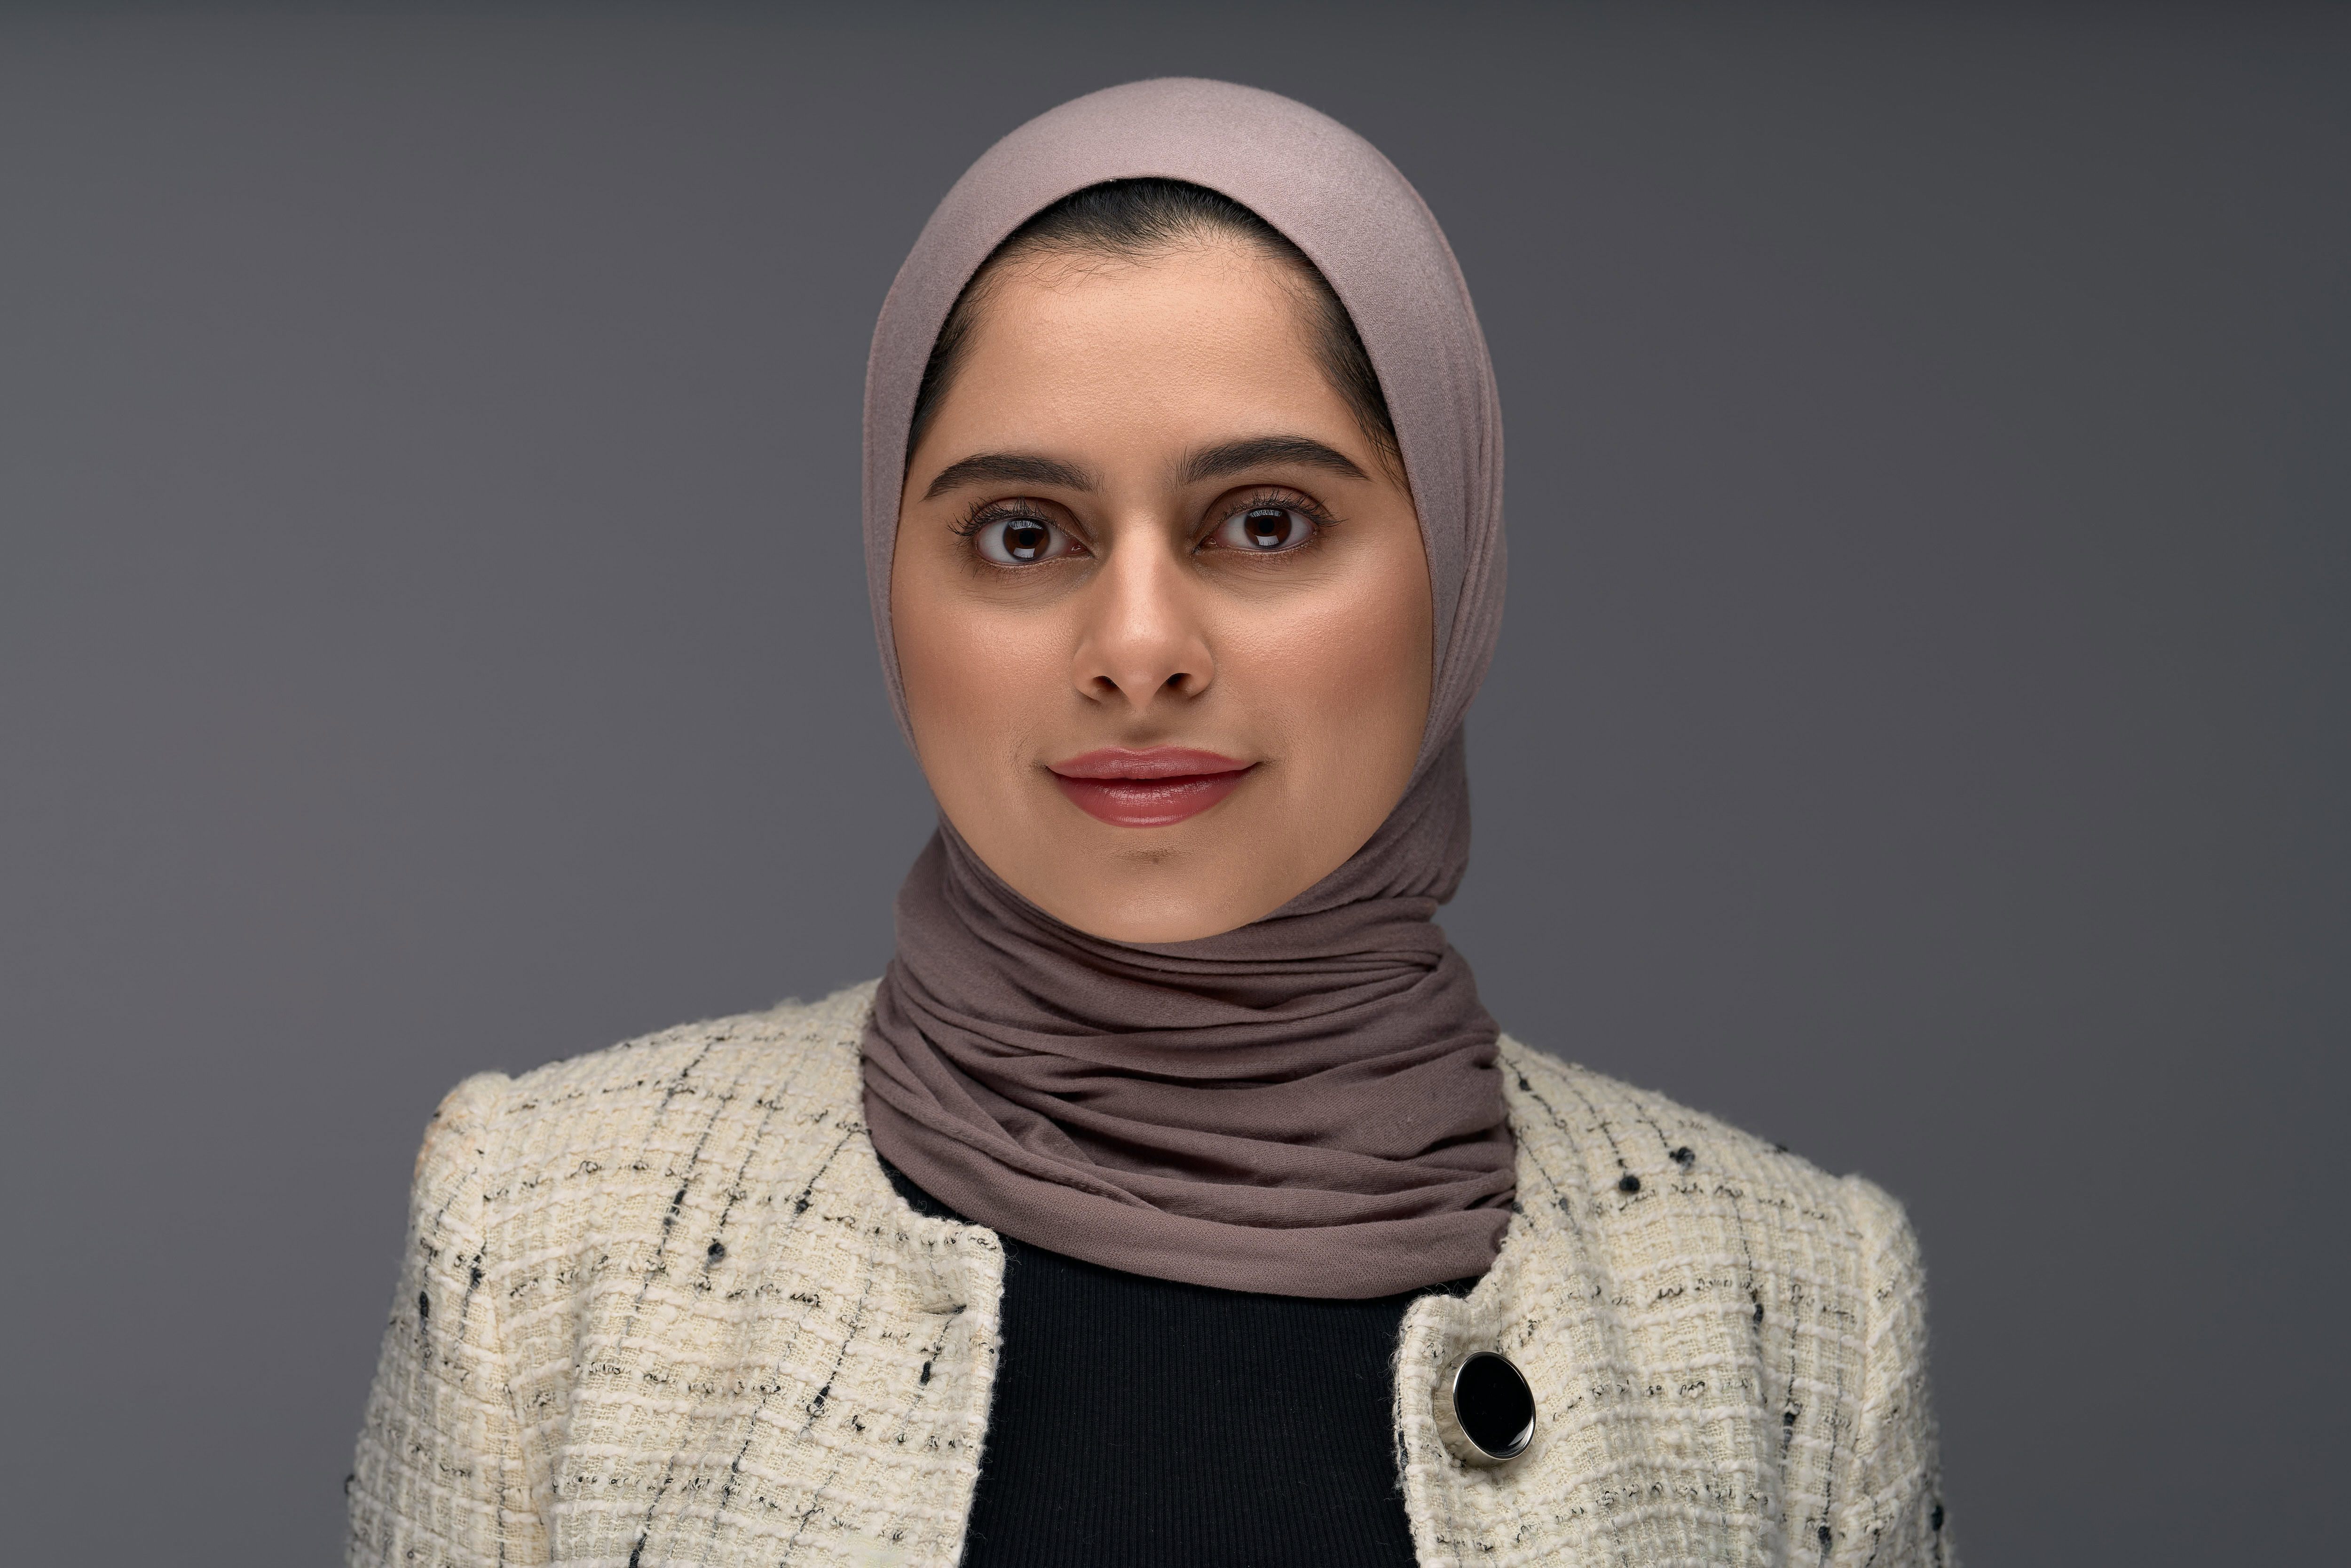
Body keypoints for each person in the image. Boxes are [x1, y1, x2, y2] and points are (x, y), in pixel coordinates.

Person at [347, 79, 1951, 1567]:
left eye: (1265, 522)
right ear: (891, 584)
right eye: (1023, 533)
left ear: (1454, 560)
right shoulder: (545, 1238)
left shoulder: (1793, 1302)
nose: (1136, 648)